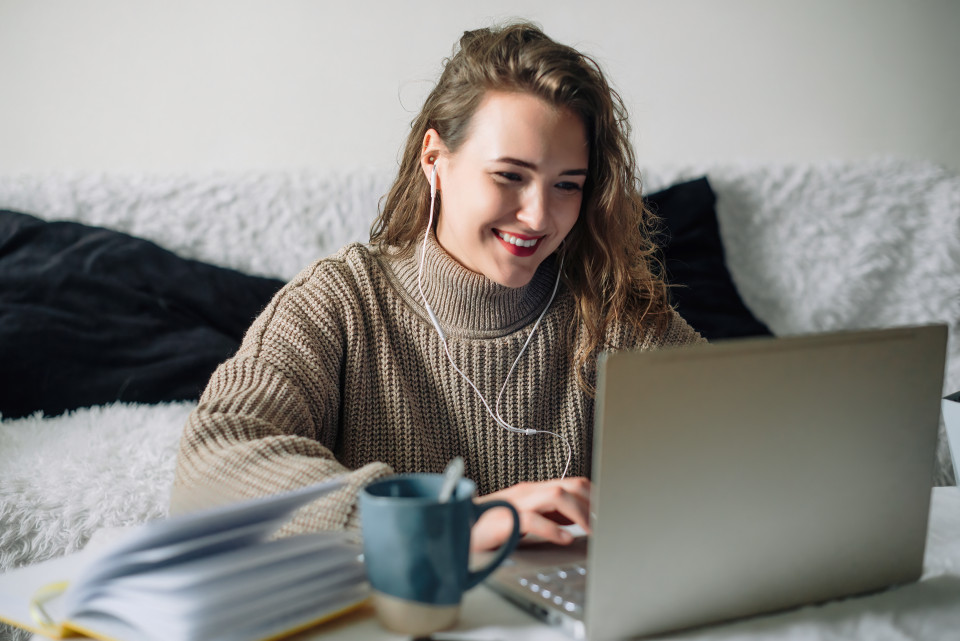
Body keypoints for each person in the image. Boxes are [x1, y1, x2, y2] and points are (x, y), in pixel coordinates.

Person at [171, 21, 705, 552]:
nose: (539, 216)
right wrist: (443, 522)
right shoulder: (343, 300)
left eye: (567, 185)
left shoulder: (612, 313)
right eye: (509, 176)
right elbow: (208, 469)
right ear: (435, 161)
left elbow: (754, 445)